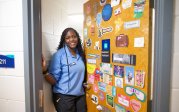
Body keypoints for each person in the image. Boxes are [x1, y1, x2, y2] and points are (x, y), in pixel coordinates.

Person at [42, 27, 87, 112]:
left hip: (80, 95)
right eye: (68, 38)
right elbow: (54, 80)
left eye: (74, 36)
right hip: (64, 97)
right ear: (64, 40)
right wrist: (45, 71)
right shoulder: (59, 55)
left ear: (78, 37)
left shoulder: (80, 54)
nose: (72, 39)